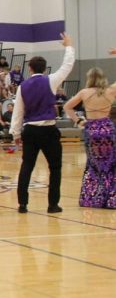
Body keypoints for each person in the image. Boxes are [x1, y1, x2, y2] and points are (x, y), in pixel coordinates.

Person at [10, 33, 75, 214]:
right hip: (48, 130)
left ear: (30, 69)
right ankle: (52, 205)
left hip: (30, 131)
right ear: (45, 69)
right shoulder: (51, 80)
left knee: (27, 166)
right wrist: (68, 46)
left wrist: (15, 135)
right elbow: (67, 65)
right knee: (55, 167)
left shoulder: (22, 86)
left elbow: (18, 113)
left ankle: (23, 204)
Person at [63, 67, 114, 209]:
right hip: (108, 129)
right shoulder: (111, 91)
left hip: (91, 130)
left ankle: (93, 199)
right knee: (111, 165)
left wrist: (79, 121)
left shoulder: (84, 92)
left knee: (94, 164)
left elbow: (67, 107)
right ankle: (111, 199)